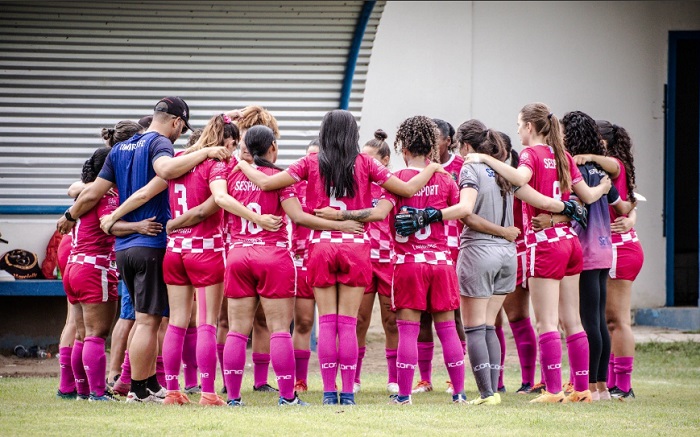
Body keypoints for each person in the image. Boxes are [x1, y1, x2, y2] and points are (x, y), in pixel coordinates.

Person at [235, 109, 444, 405]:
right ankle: (347, 393)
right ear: (353, 135)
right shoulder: (366, 164)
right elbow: (407, 190)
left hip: (320, 247)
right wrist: (432, 168)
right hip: (356, 247)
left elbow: (268, 183)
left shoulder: (310, 162)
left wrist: (241, 164)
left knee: (328, 323)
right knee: (347, 323)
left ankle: (329, 393)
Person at [57, 96, 231, 403]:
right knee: (149, 321)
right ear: (176, 122)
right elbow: (165, 170)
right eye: (181, 129)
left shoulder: (120, 148)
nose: (178, 136)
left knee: (143, 318)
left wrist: (69, 216)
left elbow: (91, 193)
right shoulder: (159, 143)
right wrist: (206, 150)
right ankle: (138, 390)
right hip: (150, 240)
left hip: (123, 248)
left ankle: (149, 383)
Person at [464, 102, 611, 403]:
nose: (517, 130)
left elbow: (519, 181)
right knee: (573, 320)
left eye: (519, 125)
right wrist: (605, 187)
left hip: (545, 243)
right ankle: (582, 389)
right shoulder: (563, 155)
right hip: (570, 241)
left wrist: (484, 159)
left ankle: (554, 390)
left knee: (545, 321)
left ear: (530, 126)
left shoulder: (531, 154)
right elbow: (587, 197)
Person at [214, 125, 363, 407]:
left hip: (237, 255)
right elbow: (300, 218)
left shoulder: (230, 177)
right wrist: (340, 224)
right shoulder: (280, 178)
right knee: (280, 329)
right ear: (271, 147)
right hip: (273, 255)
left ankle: (233, 397)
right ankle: (286, 397)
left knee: (237, 329)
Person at [63, 147, 162, 401]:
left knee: (81, 334)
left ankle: (82, 391)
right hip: (94, 269)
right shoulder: (106, 196)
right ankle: (97, 392)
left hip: (74, 265)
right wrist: (138, 226)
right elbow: (110, 225)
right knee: (96, 334)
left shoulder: (85, 194)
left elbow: (74, 190)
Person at [457, 129, 517, 405]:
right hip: (508, 255)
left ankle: (486, 394)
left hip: (480, 250)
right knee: (490, 326)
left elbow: (467, 213)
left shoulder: (471, 169)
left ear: (467, 147)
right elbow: (539, 199)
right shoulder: (506, 172)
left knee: (474, 328)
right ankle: (493, 392)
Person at [589, 120, 644, 400]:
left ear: (605, 142)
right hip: (610, 247)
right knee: (606, 319)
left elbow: (612, 168)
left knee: (617, 319)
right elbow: (631, 203)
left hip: (622, 250)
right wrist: (631, 216)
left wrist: (584, 156)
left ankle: (623, 385)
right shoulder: (603, 170)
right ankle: (611, 382)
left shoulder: (614, 163)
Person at [412, 119, 466, 395]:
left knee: (453, 316)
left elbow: (464, 210)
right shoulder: (414, 173)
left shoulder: (458, 169)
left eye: (437, 138)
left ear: (448, 141)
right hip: (427, 254)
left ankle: (454, 379)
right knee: (421, 317)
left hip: (452, 250)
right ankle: (424, 378)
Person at [352, 129, 399, 394]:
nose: (365, 163)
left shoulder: (392, 184)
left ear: (385, 159)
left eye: (371, 159)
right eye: (363, 158)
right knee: (359, 320)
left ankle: (393, 378)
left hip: (389, 261)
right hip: (362, 258)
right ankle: (355, 377)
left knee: (391, 321)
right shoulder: (357, 184)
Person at [290, 139, 320, 393]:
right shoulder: (292, 186)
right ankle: (299, 380)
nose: (312, 162)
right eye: (308, 157)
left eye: (317, 157)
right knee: (303, 322)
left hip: (329, 257)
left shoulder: (336, 185)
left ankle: (347, 381)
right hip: (300, 261)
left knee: (339, 323)